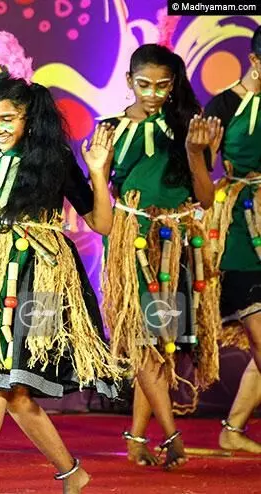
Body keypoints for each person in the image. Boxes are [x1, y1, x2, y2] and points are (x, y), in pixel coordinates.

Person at [0, 32, 119, 494]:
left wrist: (97, 173)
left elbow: (102, 223)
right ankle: (72, 474)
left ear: (29, 116)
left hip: (42, 277)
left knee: (1, 385)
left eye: (7, 119)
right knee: (10, 391)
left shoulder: (54, 160)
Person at [101, 43, 223, 470]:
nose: (153, 94)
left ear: (174, 85)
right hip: (130, 243)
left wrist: (193, 151)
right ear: (129, 81)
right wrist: (96, 169)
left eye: (163, 86)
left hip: (175, 243)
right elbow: (102, 195)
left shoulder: (189, 127)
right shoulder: (109, 129)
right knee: (142, 342)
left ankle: (137, 438)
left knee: (156, 344)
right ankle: (171, 435)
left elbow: (205, 198)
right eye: (144, 84)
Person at [204, 25, 261, 454]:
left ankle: (234, 428)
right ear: (255, 61)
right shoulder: (223, 105)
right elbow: (200, 168)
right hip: (241, 224)